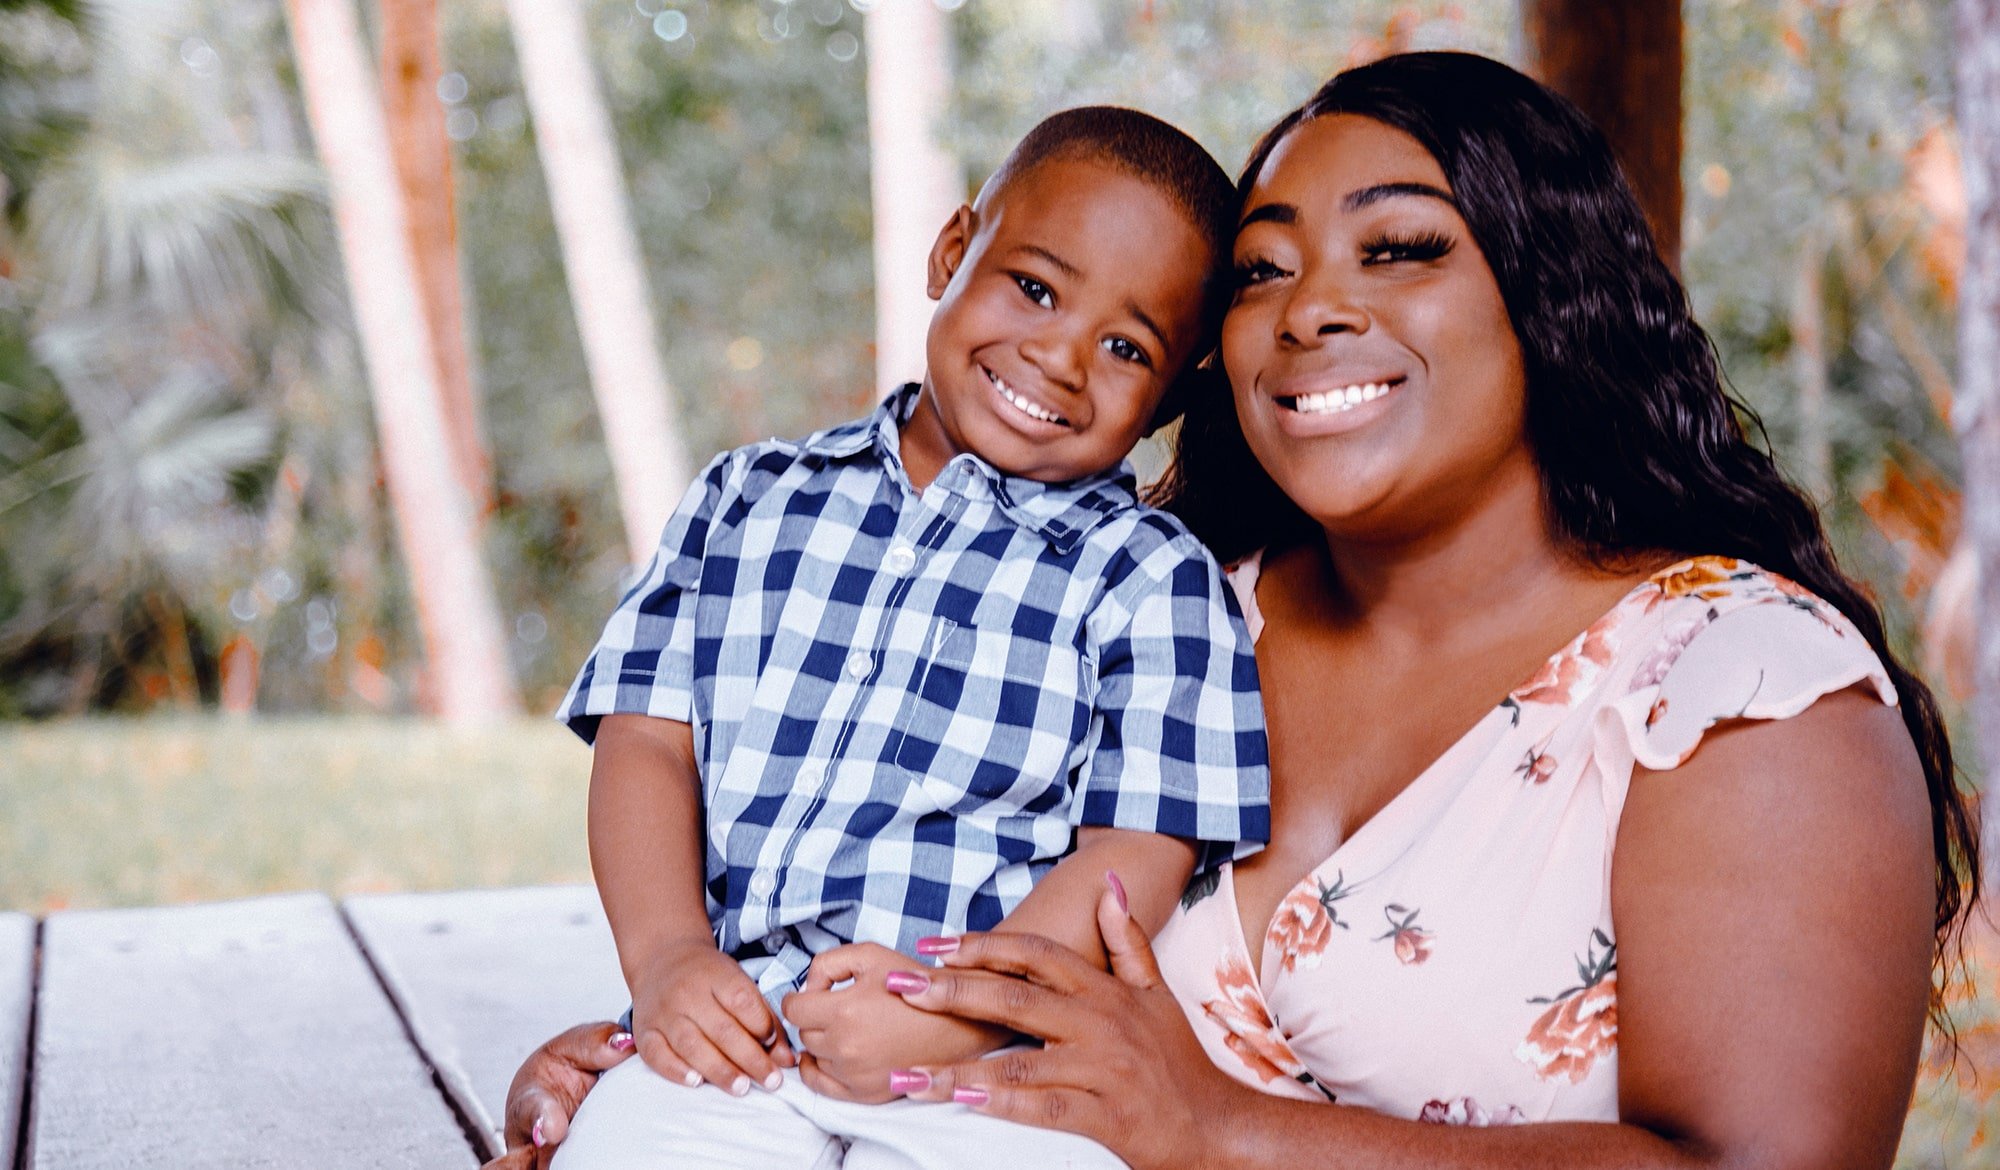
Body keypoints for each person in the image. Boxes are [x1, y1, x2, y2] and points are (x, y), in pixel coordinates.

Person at [492, 51, 1981, 1170]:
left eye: (1398, 247)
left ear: (1553, 291)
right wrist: (680, 1044)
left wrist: (1226, 1129)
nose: (1310, 306)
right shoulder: (1186, 599)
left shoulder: (1739, 691)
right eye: (1264, 272)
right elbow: (906, 885)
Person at [547, 106, 1271, 1169]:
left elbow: (1134, 850)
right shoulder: (747, 500)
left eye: (1125, 346)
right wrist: (665, 961)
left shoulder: (1151, 579)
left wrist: (961, 1010)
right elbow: (649, 744)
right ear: (950, 250)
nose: (1060, 356)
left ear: (1168, 397)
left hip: (993, 1063)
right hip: (742, 1031)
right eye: (1033, 286)